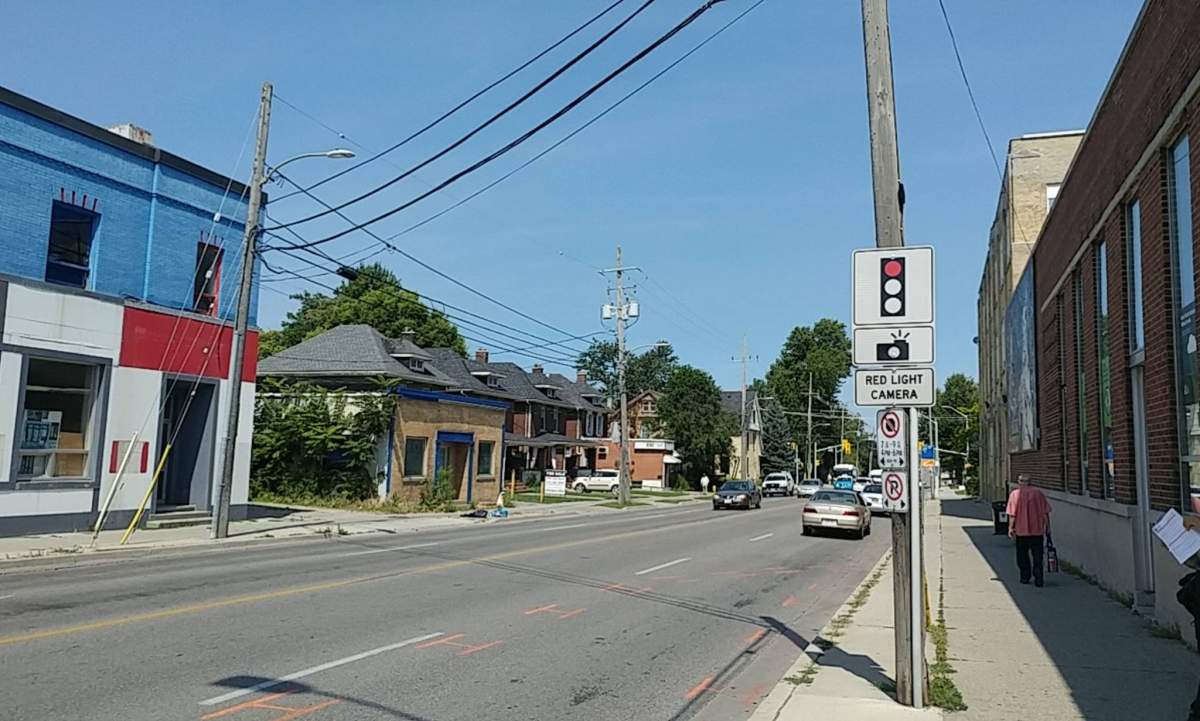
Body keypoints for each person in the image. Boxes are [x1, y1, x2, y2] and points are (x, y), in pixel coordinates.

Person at [1006, 473, 1052, 587]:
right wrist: (1048, 527)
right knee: (1037, 554)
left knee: (1022, 555)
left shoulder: (1015, 494)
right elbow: (1045, 512)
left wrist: (1010, 528)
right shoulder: (1038, 494)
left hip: (1021, 531)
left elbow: (1012, 514)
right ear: (1030, 482)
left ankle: (1025, 576)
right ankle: (1038, 576)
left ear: (1019, 482)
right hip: (1037, 530)